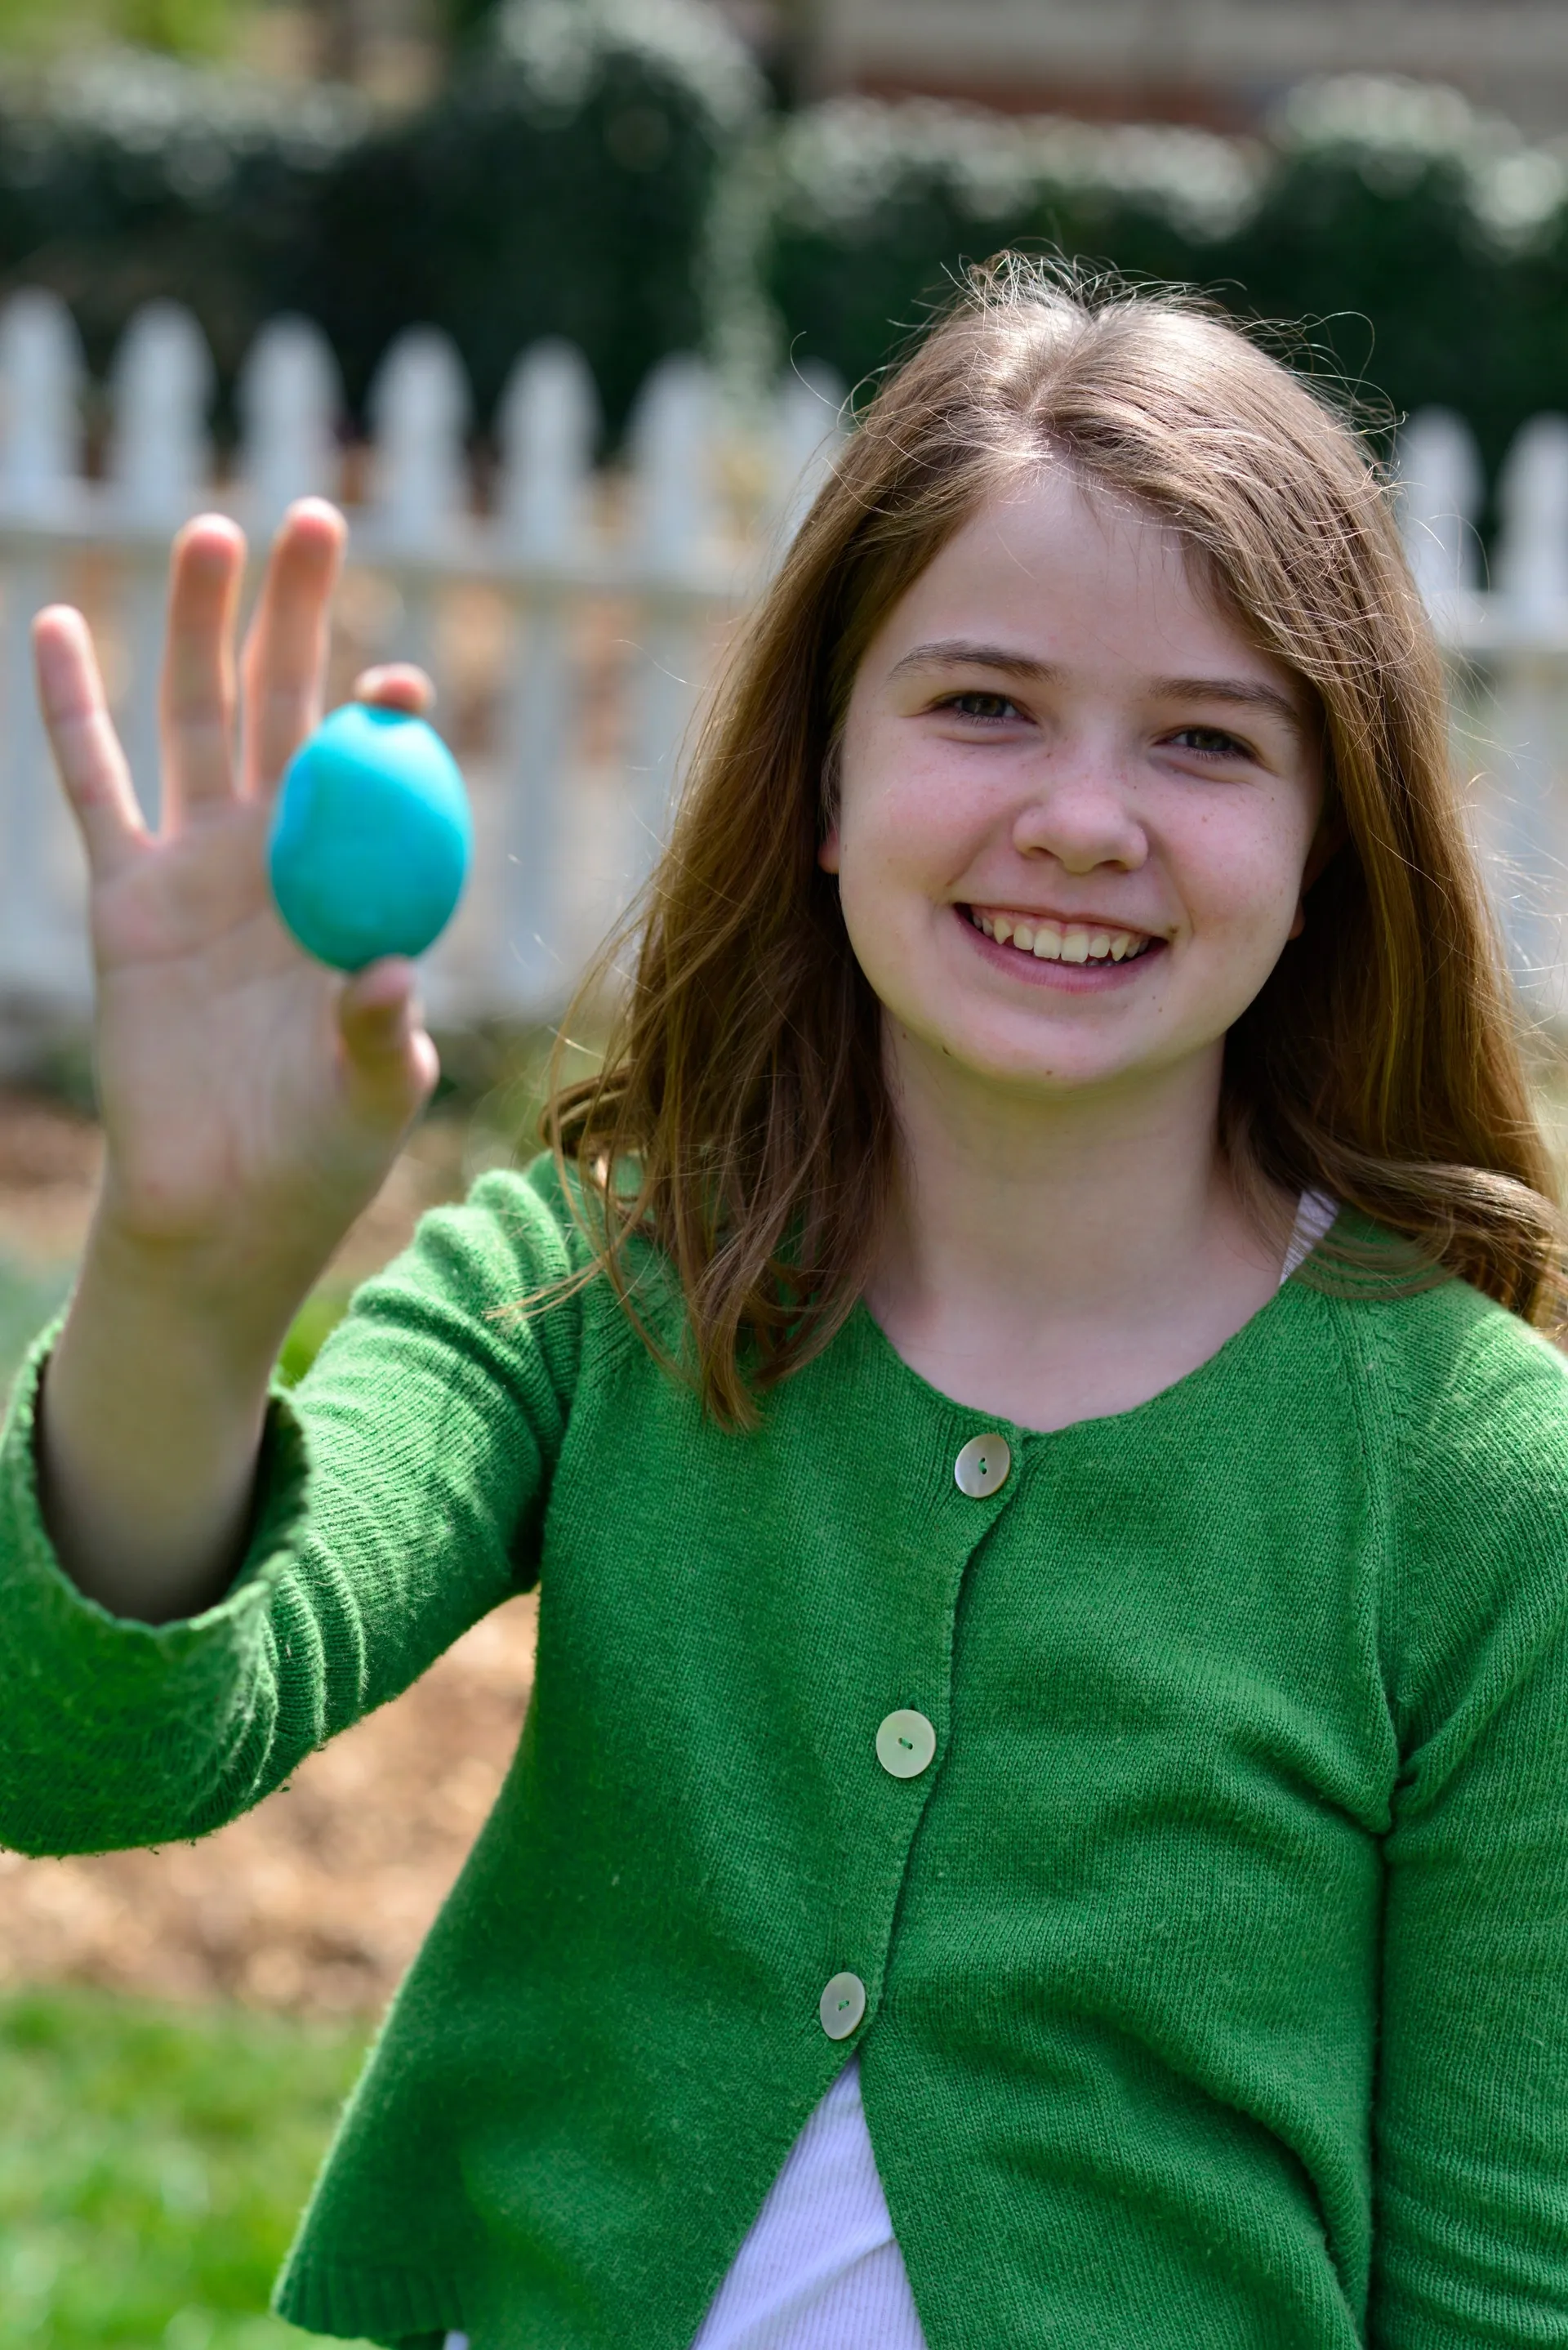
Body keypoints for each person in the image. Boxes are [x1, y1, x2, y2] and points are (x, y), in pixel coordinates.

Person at [2, 257, 1566, 2350]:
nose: (1079, 820)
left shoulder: (1489, 1491)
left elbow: (1500, 2290)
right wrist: (183, 1282)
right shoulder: (589, 1287)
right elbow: (84, 1756)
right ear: (823, 780)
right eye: (982, 704)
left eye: (1207, 741)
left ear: (1330, 845)